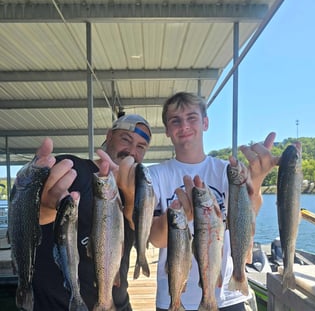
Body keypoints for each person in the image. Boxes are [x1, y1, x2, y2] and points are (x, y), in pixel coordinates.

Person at [147, 92, 279, 311]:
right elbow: (156, 239)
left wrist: (256, 183)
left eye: (192, 118)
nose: (184, 126)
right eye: (175, 121)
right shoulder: (155, 176)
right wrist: (180, 216)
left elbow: (249, 214)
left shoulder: (227, 170)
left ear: (205, 123)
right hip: (175, 296)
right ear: (168, 131)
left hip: (228, 293)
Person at [23, 114, 151, 311]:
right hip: (56, 304)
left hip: (118, 304)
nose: (131, 151)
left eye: (141, 147)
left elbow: (147, 233)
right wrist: (40, 207)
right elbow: (31, 207)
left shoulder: (137, 191)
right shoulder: (73, 168)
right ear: (109, 137)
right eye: (126, 139)